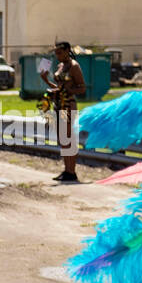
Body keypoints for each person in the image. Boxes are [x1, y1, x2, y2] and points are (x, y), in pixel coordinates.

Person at [43, 41, 86, 183]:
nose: (57, 55)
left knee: (69, 138)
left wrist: (68, 91)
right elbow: (59, 86)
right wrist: (47, 82)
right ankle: (67, 170)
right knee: (63, 139)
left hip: (68, 105)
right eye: (56, 53)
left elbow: (82, 88)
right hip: (58, 105)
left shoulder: (74, 67)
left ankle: (72, 171)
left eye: (60, 52)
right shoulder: (60, 66)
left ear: (68, 51)